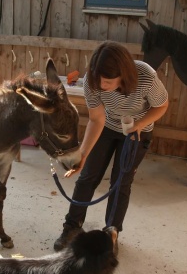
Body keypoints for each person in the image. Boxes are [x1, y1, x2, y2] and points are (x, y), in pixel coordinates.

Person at [53, 41, 169, 255]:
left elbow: (161, 105)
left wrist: (139, 125)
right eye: (98, 80)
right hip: (106, 126)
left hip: (137, 130)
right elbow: (96, 119)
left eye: (107, 81)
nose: (102, 86)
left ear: (123, 74)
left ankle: (111, 233)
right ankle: (72, 227)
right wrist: (83, 154)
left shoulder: (145, 76)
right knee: (87, 176)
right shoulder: (92, 82)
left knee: (120, 181)